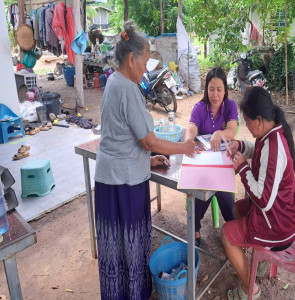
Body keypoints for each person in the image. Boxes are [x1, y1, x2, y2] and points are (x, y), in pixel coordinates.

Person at [94, 20, 195, 300]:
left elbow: (120, 137)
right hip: (124, 184)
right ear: (130, 58)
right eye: (145, 61)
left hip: (109, 179)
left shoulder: (114, 82)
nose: (146, 68)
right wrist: (185, 148)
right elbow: (149, 141)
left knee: (115, 248)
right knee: (130, 244)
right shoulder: (127, 88)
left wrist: (146, 161)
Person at [221, 87, 295, 300]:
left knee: (226, 235)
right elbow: (259, 153)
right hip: (284, 215)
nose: (246, 125)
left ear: (258, 119)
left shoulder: (274, 147)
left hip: (278, 226)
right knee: (237, 208)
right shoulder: (272, 133)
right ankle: (260, 261)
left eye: (247, 121)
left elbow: (263, 201)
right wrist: (241, 146)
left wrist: (241, 167)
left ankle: (250, 289)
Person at [185, 67, 239, 247]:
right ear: (206, 89)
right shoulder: (200, 108)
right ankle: (195, 229)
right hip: (204, 162)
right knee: (203, 188)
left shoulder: (230, 106)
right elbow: (191, 128)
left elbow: (231, 131)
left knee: (222, 191)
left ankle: (233, 227)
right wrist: (189, 141)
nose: (215, 94)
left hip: (223, 162)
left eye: (219, 89)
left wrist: (219, 133)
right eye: (211, 89)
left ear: (225, 90)